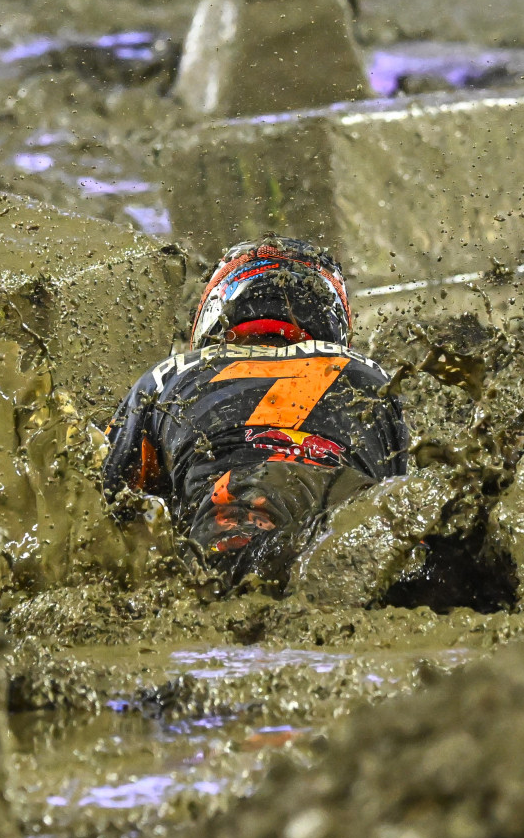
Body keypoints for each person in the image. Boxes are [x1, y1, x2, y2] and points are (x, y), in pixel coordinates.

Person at [102, 240, 409, 591]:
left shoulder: (166, 377)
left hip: (237, 513)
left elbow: (105, 508)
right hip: (347, 521)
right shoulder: (374, 378)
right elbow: (398, 496)